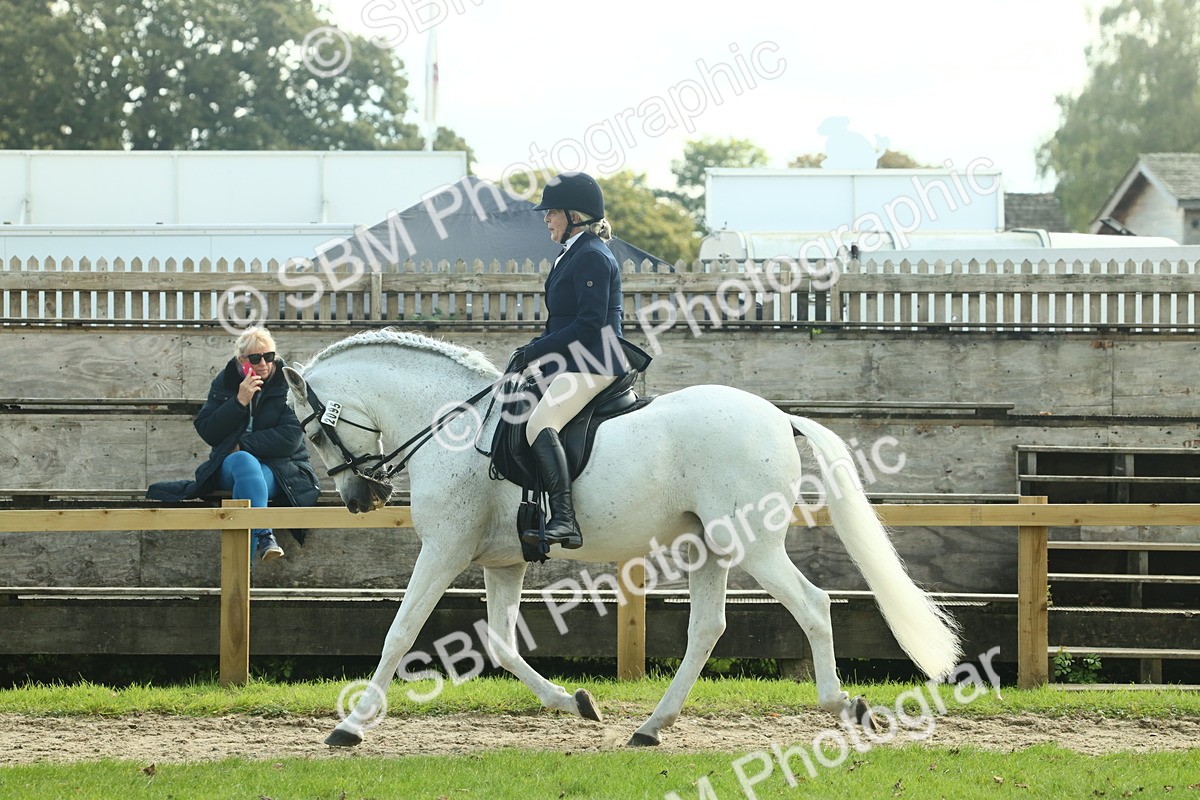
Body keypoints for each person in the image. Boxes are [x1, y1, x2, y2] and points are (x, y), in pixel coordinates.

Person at [513, 172, 628, 550]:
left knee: (539, 422)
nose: (546, 218)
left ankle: (564, 519)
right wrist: (532, 349)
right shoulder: (574, 252)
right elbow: (562, 323)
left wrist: (537, 351)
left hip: (595, 361)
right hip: (574, 361)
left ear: (574, 216)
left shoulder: (591, 255)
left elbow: (589, 324)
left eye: (552, 212)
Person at [147, 326, 320, 563]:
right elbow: (207, 430)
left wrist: (242, 444)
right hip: (231, 466)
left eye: (269, 356)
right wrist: (238, 402)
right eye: (255, 358)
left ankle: (243, 570)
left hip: (280, 470)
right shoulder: (226, 381)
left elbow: (290, 439)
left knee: (244, 482)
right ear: (242, 361)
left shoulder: (288, 384)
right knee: (243, 461)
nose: (264, 364)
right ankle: (264, 535)